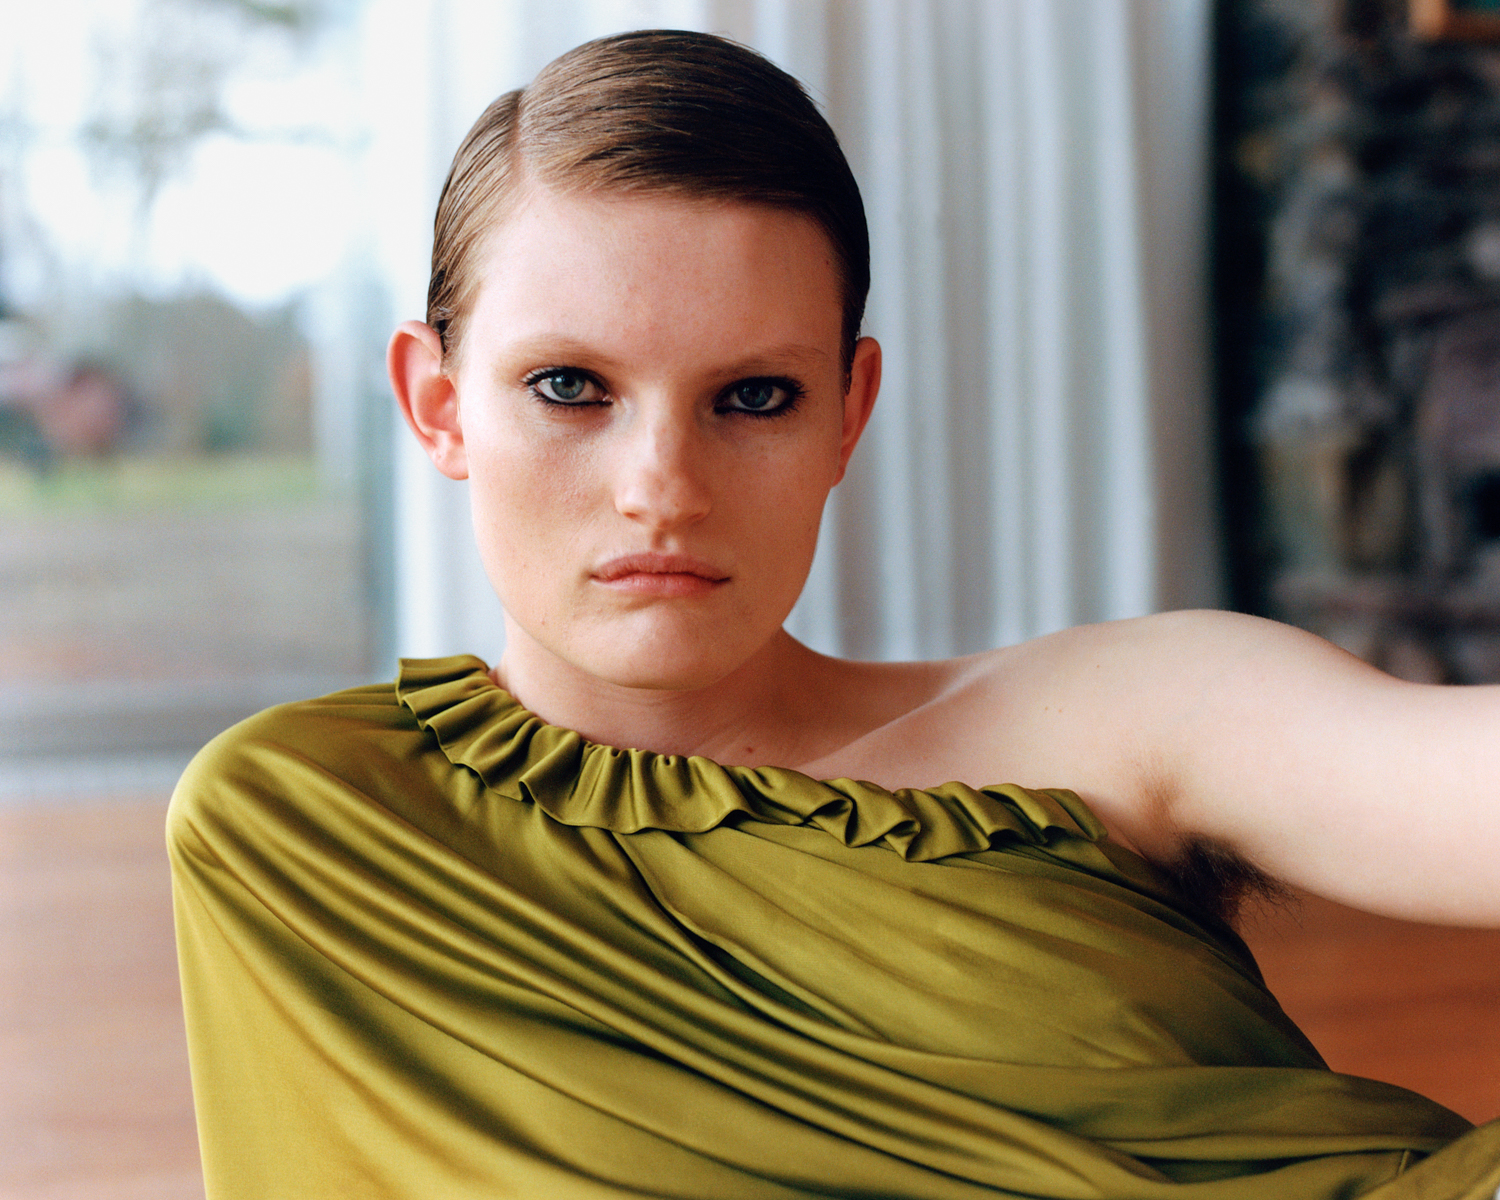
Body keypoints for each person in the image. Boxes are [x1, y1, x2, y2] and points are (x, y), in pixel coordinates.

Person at [167, 29, 1500, 1200]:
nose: (661, 489)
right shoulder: (310, 828)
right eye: (570, 386)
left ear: (847, 413)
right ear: (438, 404)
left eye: (753, 397)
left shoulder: (1134, 717)